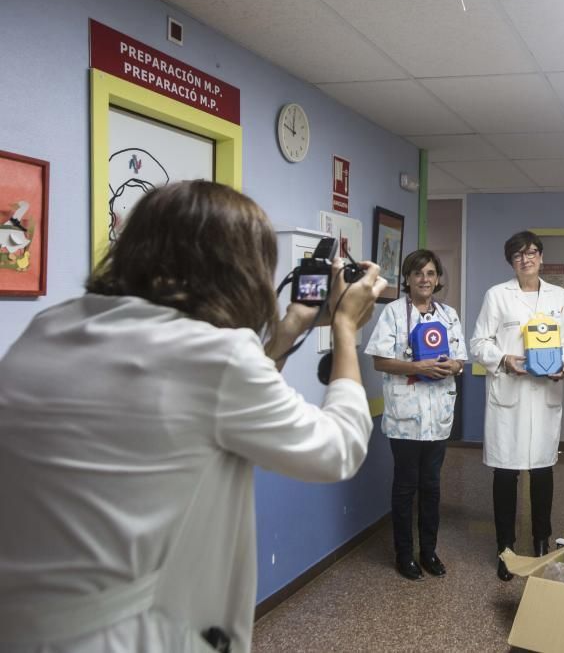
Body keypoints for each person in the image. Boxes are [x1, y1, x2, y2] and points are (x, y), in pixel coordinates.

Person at [0, 181, 386, 653]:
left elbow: (204, 409)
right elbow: (338, 450)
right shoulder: (215, 355)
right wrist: (346, 328)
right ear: (237, 270)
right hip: (126, 635)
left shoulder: (54, 325)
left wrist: (285, 333)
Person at [470, 231, 564, 581]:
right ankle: (506, 549)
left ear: (541, 258)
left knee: (543, 473)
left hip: (543, 395)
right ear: (511, 262)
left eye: (532, 252)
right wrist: (504, 358)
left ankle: (542, 544)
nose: (526, 259)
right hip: (510, 397)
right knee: (506, 474)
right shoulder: (497, 296)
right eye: (518, 254)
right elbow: (478, 342)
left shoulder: (559, 296)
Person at [365, 249, 466, 582]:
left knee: (432, 486)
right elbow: (379, 360)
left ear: (438, 279)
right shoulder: (394, 313)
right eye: (418, 273)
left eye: (431, 273)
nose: (425, 279)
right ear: (407, 278)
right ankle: (404, 554)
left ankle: (429, 552)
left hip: (437, 413)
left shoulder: (449, 315)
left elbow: (460, 360)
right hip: (405, 416)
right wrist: (415, 366)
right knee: (406, 486)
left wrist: (453, 365)